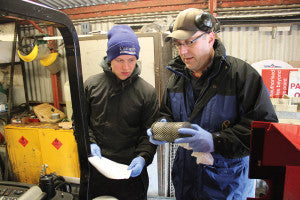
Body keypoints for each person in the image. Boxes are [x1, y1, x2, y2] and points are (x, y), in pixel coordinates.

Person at [147, 8, 278, 200]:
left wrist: (216, 141)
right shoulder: (176, 80)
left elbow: (264, 130)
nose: (183, 52)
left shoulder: (242, 77)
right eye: (179, 44)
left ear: (210, 38)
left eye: (190, 42)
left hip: (226, 187)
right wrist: (162, 125)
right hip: (186, 183)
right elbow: (167, 113)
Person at [84, 24, 159, 200]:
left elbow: (150, 134)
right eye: (120, 60)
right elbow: (80, 123)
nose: (126, 67)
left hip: (131, 173)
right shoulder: (91, 86)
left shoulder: (147, 92)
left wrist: (142, 157)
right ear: (110, 58)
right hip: (98, 170)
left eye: (131, 60)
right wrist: (89, 143)